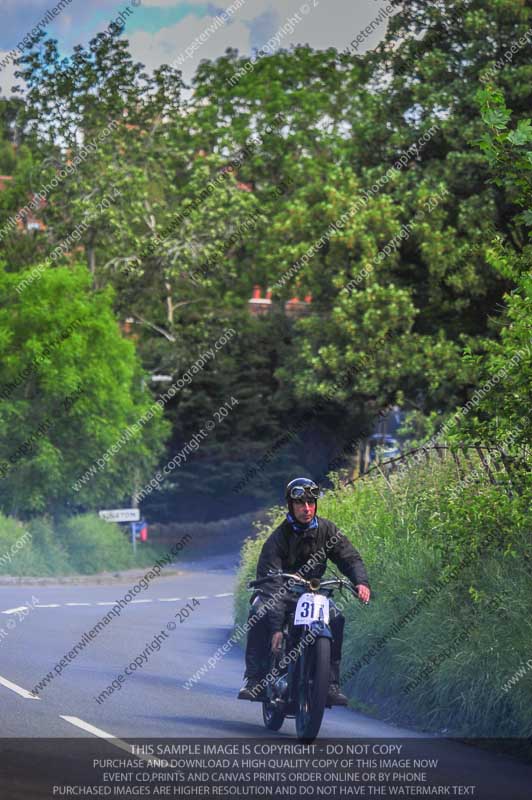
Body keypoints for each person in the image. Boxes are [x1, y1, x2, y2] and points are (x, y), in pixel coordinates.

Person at [238, 477, 371, 705]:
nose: (307, 508)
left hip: (312, 594)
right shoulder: (278, 538)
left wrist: (361, 582)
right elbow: (270, 585)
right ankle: (255, 679)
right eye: (301, 503)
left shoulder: (327, 530)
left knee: (336, 617)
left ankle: (329, 684)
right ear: (291, 505)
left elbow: (349, 557)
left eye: (311, 502)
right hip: (280, 592)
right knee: (259, 611)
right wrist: (277, 627)